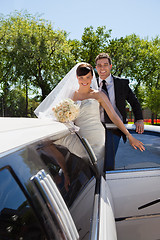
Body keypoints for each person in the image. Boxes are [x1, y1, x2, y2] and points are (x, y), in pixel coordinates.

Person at [34, 63, 145, 175]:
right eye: (81, 77)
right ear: (77, 78)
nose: (85, 80)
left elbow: (113, 116)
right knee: (47, 140)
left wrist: (129, 135)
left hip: (96, 137)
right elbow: (64, 117)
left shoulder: (98, 95)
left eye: (88, 77)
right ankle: (64, 171)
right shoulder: (71, 96)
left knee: (97, 170)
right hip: (79, 137)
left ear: (92, 77)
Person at [95, 53, 144, 170]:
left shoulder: (122, 84)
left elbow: (134, 102)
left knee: (110, 163)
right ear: (96, 68)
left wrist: (140, 119)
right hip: (97, 128)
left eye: (105, 65)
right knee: (95, 163)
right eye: (99, 65)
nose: (102, 68)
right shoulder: (91, 85)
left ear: (111, 66)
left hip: (116, 129)